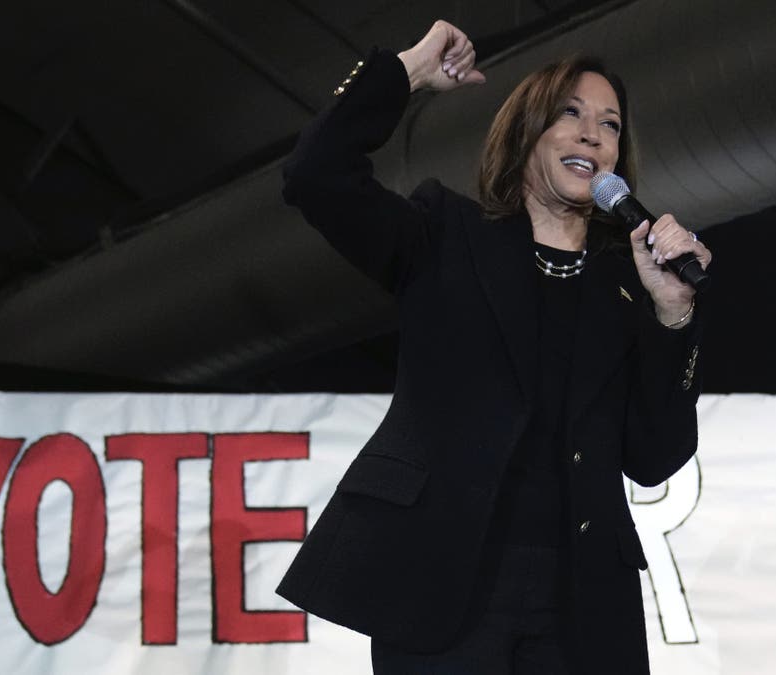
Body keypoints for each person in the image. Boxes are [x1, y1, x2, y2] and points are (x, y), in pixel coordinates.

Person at [276, 19, 711, 674]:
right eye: (570, 113)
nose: (593, 133)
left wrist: (673, 315)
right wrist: (409, 71)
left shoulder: (627, 285)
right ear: (527, 133)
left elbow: (653, 459)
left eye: (611, 124)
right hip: (445, 583)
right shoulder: (445, 234)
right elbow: (316, 175)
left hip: (583, 602)